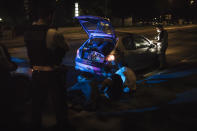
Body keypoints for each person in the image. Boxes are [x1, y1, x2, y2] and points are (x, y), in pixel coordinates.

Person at [24, 1, 69, 129]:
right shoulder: (52, 33)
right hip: (51, 73)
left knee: (36, 105)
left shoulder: (27, 32)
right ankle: (62, 126)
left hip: (36, 73)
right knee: (59, 103)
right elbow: (65, 47)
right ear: (49, 16)